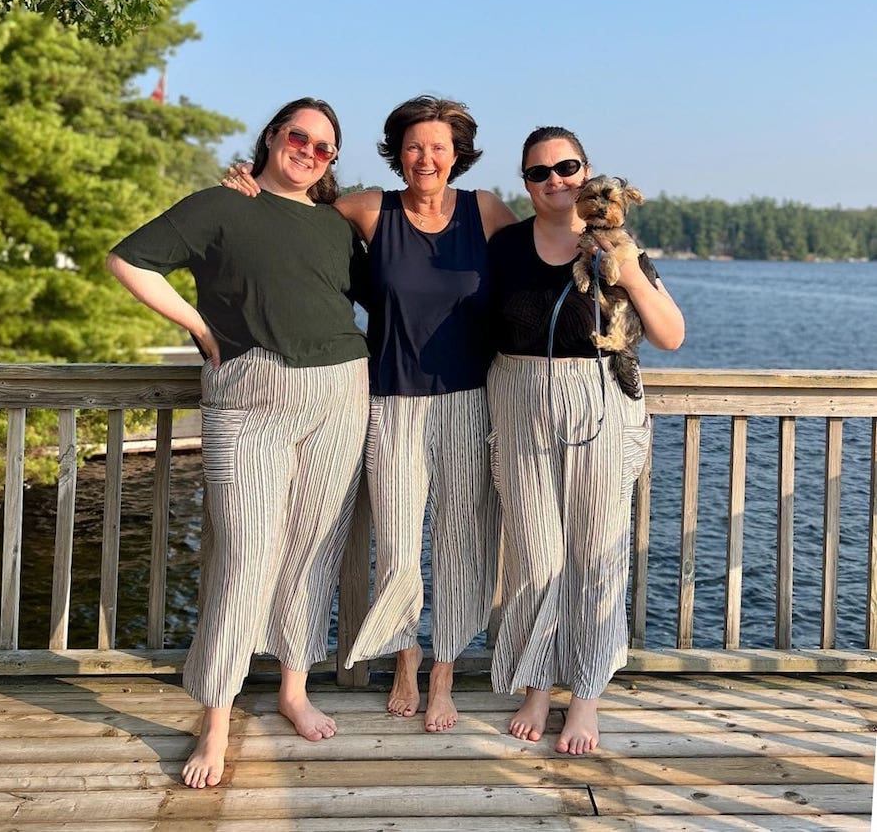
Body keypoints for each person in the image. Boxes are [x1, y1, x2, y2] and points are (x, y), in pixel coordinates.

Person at [224, 95, 517, 732]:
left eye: (438, 147)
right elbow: (294, 213)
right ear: (397, 153)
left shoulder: (487, 210)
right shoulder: (368, 210)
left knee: (462, 546)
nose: (425, 158)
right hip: (389, 402)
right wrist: (248, 188)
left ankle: (442, 676)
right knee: (400, 549)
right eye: (413, 146)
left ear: (458, 154)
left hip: (471, 402)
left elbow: (536, 263)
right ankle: (405, 659)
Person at [107, 98, 370, 787]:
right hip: (249, 399)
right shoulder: (222, 205)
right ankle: (215, 720)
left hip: (341, 393)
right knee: (243, 559)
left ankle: (292, 690)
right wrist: (200, 327)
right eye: (298, 137)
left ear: (332, 161)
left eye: (324, 147)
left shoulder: (336, 226)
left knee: (312, 551)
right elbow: (129, 260)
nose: (308, 151)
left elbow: (394, 289)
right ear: (273, 137)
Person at [485, 126, 685, 755]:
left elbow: (671, 334)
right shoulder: (505, 245)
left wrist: (627, 271)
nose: (556, 180)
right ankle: (536, 684)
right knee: (532, 555)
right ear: (526, 184)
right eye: (539, 172)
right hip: (519, 403)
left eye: (567, 167)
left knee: (598, 552)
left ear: (588, 171)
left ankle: (587, 695)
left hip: (598, 400)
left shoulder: (619, 246)